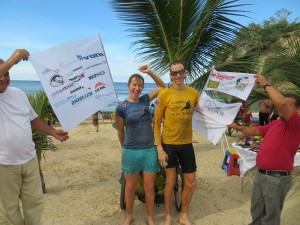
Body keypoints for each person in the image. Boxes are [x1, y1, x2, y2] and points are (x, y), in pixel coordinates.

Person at [0, 49, 69, 225]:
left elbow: (33, 119)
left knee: (35, 203)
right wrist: (11, 60)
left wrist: (53, 132)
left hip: (29, 161)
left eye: (6, 74)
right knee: (8, 210)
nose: (3, 78)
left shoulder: (18, 94)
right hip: (4, 165)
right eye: (1, 73)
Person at [229, 74, 300, 225]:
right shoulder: (276, 123)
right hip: (261, 175)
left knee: (270, 219)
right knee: (256, 212)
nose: (284, 108)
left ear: (297, 110)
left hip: (277, 178)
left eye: (290, 106)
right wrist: (237, 127)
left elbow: (280, 104)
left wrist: (266, 84)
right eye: (284, 105)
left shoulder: (295, 122)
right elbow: (255, 131)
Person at [115, 65, 165, 225]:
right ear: (128, 86)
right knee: (130, 188)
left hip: (149, 151)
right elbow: (120, 132)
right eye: (134, 84)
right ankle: (129, 216)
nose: (137, 88)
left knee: (149, 188)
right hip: (131, 151)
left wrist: (150, 72)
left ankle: (150, 217)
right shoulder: (121, 107)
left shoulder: (144, 100)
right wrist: (125, 148)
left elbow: (161, 86)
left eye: (140, 85)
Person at [153, 60, 200, 225]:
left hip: (186, 144)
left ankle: (183, 215)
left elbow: (204, 112)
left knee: (191, 182)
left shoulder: (194, 93)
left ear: (185, 72)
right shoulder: (164, 94)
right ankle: (167, 216)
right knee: (171, 182)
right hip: (169, 144)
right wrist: (159, 148)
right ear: (170, 75)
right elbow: (156, 123)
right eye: (174, 73)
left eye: (180, 72)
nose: (178, 75)